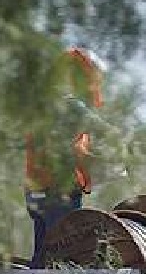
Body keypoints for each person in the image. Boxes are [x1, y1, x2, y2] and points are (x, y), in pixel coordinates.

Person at [24, 46, 122, 262]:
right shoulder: (70, 105)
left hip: (37, 191)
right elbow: (104, 131)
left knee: (43, 254)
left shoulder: (46, 103)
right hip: (60, 193)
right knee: (64, 255)